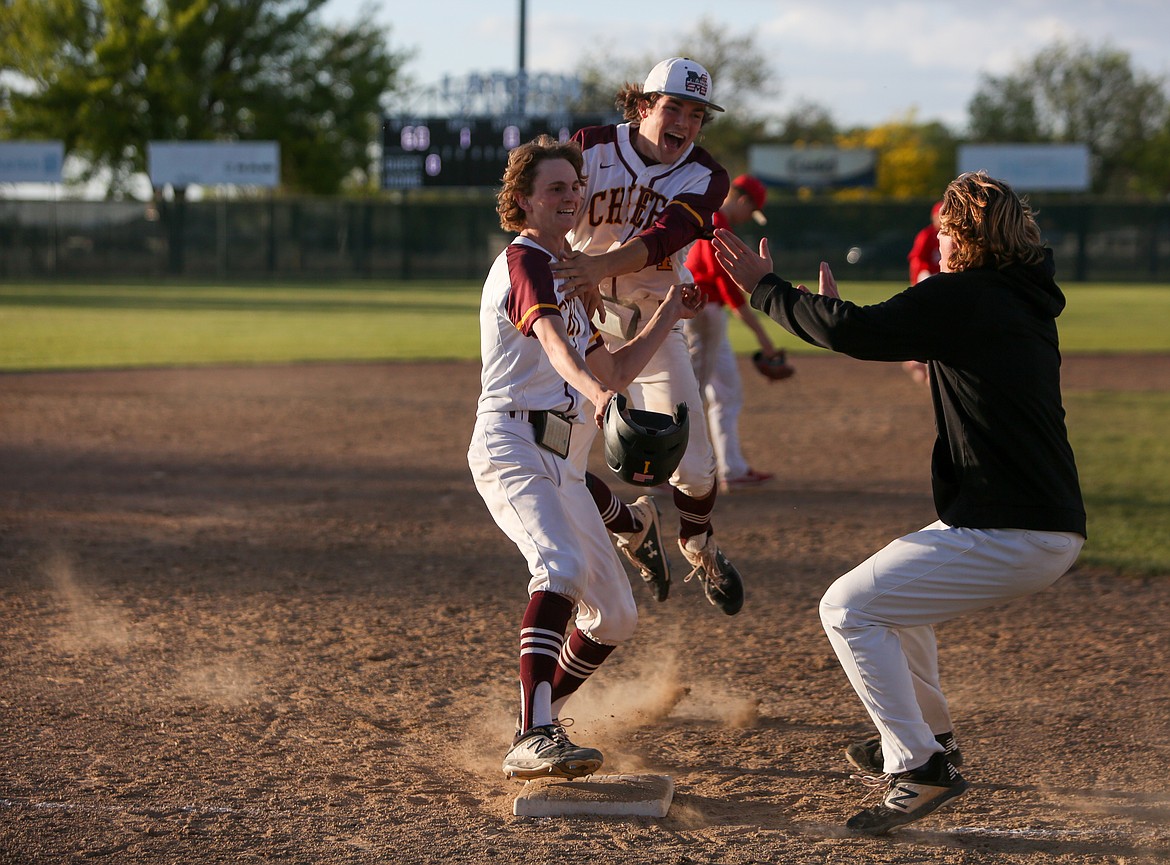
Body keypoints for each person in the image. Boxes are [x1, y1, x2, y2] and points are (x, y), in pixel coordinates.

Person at [713, 171, 1086, 834]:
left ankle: (917, 766)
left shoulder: (968, 297)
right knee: (896, 600)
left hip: (1014, 528)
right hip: (1025, 520)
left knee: (848, 608)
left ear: (965, 238)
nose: (935, 238)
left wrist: (766, 291)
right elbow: (864, 330)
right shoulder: (1012, 298)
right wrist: (830, 317)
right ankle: (933, 739)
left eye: (944, 227)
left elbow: (856, 332)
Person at [468, 135, 704, 779]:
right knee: (559, 567)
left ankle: (538, 714)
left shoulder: (572, 277)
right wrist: (597, 393)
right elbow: (554, 346)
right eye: (555, 189)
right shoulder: (524, 263)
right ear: (522, 202)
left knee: (617, 616)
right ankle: (534, 734)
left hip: (563, 463)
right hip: (512, 445)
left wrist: (666, 316)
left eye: (575, 187)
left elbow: (619, 367)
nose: (570, 197)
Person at [549, 57, 744, 616]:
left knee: (696, 462)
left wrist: (599, 264)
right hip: (576, 315)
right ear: (643, 107)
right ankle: (632, 524)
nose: (684, 121)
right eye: (673, 107)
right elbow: (546, 206)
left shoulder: (706, 176)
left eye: (696, 113)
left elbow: (668, 236)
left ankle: (697, 544)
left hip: (656, 320)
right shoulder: (591, 146)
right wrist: (570, 270)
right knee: (558, 454)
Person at [684, 173, 792, 493]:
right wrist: (764, 340)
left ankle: (733, 468)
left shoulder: (716, 220)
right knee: (691, 395)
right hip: (702, 312)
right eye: (752, 210)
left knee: (727, 392)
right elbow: (729, 289)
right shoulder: (715, 222)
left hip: (709, 314)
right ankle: (677, 471)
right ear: (743, 201)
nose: (750, 217)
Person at [903, 200, 943, 384]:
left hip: (944, 289)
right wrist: (924, 277)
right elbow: (917, 259)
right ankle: (917, 361)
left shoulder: (952, 235)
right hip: (927, 286)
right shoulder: (926, 235)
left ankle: (921, 363)